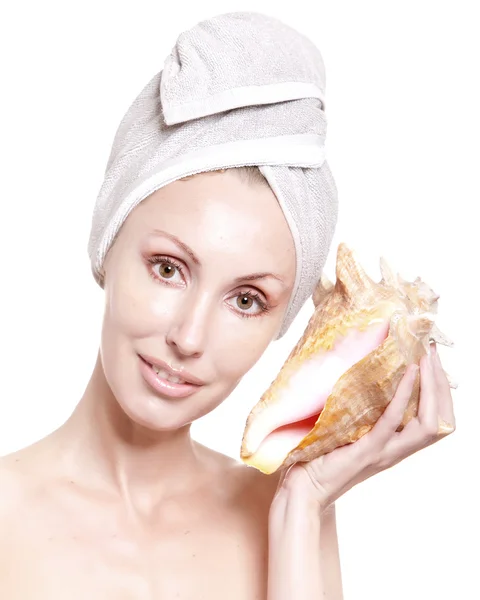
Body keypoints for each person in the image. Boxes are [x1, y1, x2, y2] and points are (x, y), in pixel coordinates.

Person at [0, 11, 455, 600]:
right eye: (168, 268)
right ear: (107, 245)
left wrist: (300, 509)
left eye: (246, 300)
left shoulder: (289, 510)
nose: (189, 337)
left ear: (282, 323)